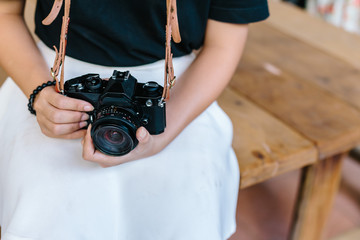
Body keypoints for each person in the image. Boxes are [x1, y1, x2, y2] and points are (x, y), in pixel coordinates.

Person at [0, 0, 269, 239]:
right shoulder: (43, 87)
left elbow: (223, 45)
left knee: (184, 203)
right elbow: (5, 13)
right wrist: (39, 93)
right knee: (45, 204)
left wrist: (165, 131)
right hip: (50, 77)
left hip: (180, 89)